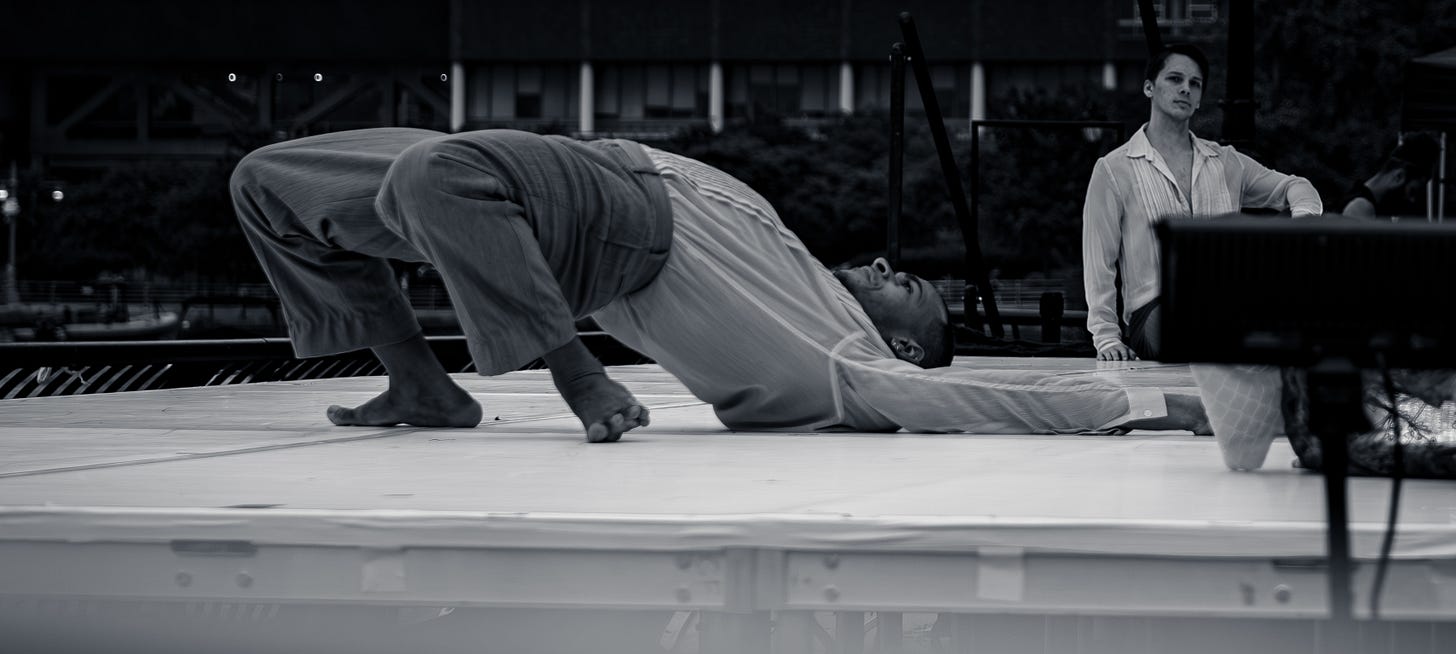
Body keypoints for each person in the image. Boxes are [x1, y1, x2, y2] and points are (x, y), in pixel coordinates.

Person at [231, 127, 1209, 440]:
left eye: (906, 285)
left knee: (433, 176)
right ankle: (421, 384)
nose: (884, 266)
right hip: (561, 175)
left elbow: (968, 393)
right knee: (268, 182)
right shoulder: (802, 267)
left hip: (612, 215)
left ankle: (574, 374)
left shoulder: (841, 358)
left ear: (901, 339)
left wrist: (1143, 407)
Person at [1082, 44, 1324, 362]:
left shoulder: (1226, 161)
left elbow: (1298, 186)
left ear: (1198, 100)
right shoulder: (1114, 168)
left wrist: (1302, 226)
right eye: (1175, 79)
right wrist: (1106, 337)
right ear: (1149, 87)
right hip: (1156, 314)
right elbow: (1099, 260)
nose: (1185, 88)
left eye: (1195, 84)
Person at [1340, 131, 1440, 220]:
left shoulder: (1362, 204)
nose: (1412, 201)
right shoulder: (1361, 208)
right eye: (1412, 191)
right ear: (1399, 177)